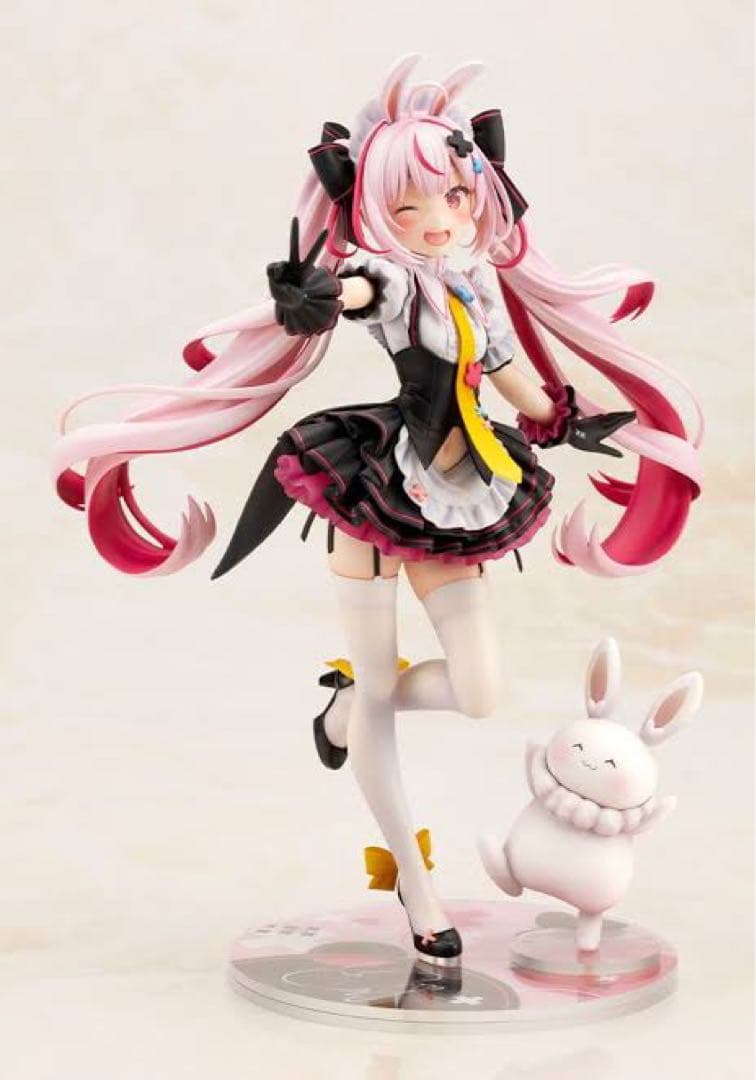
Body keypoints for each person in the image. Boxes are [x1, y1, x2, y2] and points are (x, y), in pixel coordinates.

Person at [53, 55, 702, 965]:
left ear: (477, 198)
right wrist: (318, 297)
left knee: (480, 691)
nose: (438, 220)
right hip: (375, 482)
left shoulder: (476, 286)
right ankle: (417, 888)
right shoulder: (390, 280)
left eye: (454, 198)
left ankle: (353, 700)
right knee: (387, 707)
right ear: (372, 212)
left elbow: (510, 377)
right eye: (409, 207)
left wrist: (565, 420)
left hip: (463, 489)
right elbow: (359, 292)